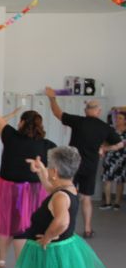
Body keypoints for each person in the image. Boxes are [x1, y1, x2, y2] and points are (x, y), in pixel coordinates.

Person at [11, 146, 109, 268]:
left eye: (49, 167)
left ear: (55, 172)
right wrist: (40, 171)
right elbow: (50, 187)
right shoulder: (67, 188)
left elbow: (62, 222)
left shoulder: (60, 197)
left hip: (51, 251)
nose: (48, 169)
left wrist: (47, 237)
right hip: (61, 247)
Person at [0, 89, 56, 268]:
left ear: (21, 123)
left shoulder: (10, 135)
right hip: (34, 191)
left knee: (6, 227)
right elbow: (58, 166)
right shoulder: (46, 145)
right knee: (23, 229)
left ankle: (1, 263)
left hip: (7, 189)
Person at [44, 87, 124, 237]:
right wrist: (104, 148)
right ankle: (87, 229)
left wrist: (52, 98)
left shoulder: (78, 121)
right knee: (86, 198)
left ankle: (65, 226)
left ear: (86, 110)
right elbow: (119, 144)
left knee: (67, 194)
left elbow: (57, 113)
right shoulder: (104, 127)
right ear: (98, 111)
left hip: (73, 165)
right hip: (90, 166)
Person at [100, 111, 126, 210]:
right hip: (110, 158)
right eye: (117, 118)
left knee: (120, 181)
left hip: (122, 159)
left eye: (120, 118)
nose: (118, 120)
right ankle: (107, 202)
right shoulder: (111, 130)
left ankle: (117, 203)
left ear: (125, 120)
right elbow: (105, 141)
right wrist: (103, 149)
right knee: (107, 180)